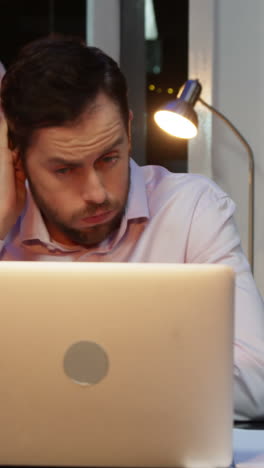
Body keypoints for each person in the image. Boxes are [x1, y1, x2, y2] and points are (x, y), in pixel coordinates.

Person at [0, 35, 264, 421]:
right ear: (17, 160)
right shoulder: (5, 227)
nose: (95, 193)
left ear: (127, 126)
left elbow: (256, 379)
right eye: (64, 169)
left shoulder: (191, 210)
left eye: (109, 158)